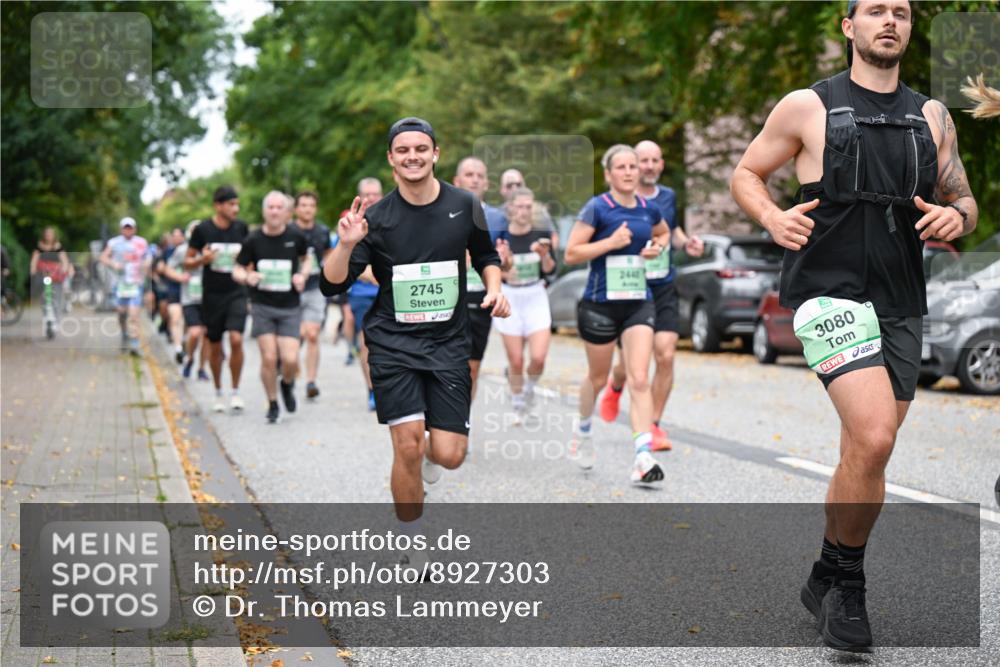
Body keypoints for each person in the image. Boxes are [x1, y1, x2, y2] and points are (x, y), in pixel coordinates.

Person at [730, 0, 978, 651]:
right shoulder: (807, 106)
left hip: (901, 299)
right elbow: (747, 172)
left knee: (865, 453)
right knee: (872, 437)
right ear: (849, 26)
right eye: (874, 10)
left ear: (909, 28)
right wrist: (770, 217)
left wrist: (961, 218)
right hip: (828, 292)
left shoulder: (933, 117)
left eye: (900, 11)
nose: (888, 19)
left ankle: (824, 570)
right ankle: (850, 588)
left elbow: (964, 196)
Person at [321, 117, 509, 568]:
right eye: (402, 149)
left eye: (420, 148)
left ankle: (426, 469)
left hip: (447, 343)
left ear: (435, 153)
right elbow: (332, 284)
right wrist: (347, 245)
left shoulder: (464, 204)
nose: (412, 156)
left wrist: (496, 285)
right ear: (391, 158)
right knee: (407, 443)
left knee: (449, 455)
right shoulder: (377, 217)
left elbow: (485, 255)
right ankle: (413, 538)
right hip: (393, 344)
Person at [564, 144, 671, 485]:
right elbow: (571, 253)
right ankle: (582, 430)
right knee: (598, 378)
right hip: (600, 304)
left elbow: (663, 232)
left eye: (632, 166)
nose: (628, 172)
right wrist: (609, 243)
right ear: (609, 174)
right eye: (620, 167)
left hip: (638, 301)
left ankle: (642, 456)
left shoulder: (648, 208)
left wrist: (658, 248)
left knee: (639, 377)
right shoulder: (598, 208)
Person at [600, 141, 704, 451]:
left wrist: (687, 245)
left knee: (666, 353)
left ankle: (653, 424)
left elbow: (671, 231)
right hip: (629, 287)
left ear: (660, 165)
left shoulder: (668, 198)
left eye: (654, 160)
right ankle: (616, 386)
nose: (648, 166)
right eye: (642, 160)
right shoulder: (613, 202)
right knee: (631, 364)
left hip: (662, 286)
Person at [233, 192, 310, 423]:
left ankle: (286, 384)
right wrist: (248, 276)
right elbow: (236, 269)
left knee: (290, 359)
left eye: (279, 207)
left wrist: (302, 276)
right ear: (264, 211)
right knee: (269, 357)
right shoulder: (253, 240)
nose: (275, 211)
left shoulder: (296, 236)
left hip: (289, 306)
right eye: (270, 207)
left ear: (286, 212)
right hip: (262, 305)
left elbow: (307, 260)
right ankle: (273, 403)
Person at [185, 185, 250, 413]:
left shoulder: (242, 228)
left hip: (237, 292)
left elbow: (250, 259)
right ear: (218, 206)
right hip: (212, 295)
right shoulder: (203, 229)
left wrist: (247, 271)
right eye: (231, 204)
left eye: (237, 204)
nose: (236, 208)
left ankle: (235, 390)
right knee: (214, 345)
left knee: (236, 339)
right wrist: (204, 259)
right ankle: (218, 390)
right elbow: (187, 261)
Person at [494, 187, 556, 424]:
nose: (524, 212)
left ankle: (529, 389)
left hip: (535, 294)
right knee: (517, 360)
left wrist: (544, 256)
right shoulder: (501, 237)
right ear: (509, 208)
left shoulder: (540, 234)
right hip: (510, 297)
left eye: (528, 207)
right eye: (519, 206)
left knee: (538, 357)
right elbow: (491, 271)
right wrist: (504, 269)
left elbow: (551, 270)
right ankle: (517, 400)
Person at [453, 156, 513, 399]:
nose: (475, 179)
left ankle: (459, 426)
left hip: (481, 299)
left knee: (472, 367)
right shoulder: (443, 212)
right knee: (447, 365)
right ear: (457, 181)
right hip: (448, 298)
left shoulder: (499, 218)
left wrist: (505, 259)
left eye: (479, 176)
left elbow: (507, 266)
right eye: (469, 174)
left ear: (487, 183)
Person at [291, 190, 333, 399]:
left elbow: (327, 254)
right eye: (303, 205)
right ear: (296, 209)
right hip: (291, 290)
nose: (307, 209)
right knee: (295, 336)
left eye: (311, 205)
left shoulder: (323, 231)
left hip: (316, 287)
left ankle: (311, 382)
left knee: (313, 334)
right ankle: (289, 371)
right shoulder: (288, 230)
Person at [163, 221, 209, 380]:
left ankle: (202, 368)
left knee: (208, 336)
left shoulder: (211, 250)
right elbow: (167, 268)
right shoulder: (182, 251)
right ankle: (190, 359)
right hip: (189, 297)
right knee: (195, 333)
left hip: (209, 298)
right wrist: (179, 277)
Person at [100, 217, 152, 355]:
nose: (128, 230)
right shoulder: (114, 242)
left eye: (130, 227)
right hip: (120, 284)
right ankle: (124, 334)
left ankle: (134, 343)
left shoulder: (141, 242)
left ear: (134, 229)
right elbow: (103, 257)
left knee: (134, 314)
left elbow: (148, 257)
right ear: (121, 229)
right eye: (125, 227)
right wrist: (114, 264)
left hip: (136, 283)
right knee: (122, 313)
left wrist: (145, 265)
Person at [499, 168, 559, 249]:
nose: (514, 189)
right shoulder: (496, 214)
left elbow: (553, 237)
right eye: (509, 186)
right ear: (502, 190)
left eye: (518, 185)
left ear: (524, 186)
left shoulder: (540, 211)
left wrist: (545, 255)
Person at [30, 226, 74, 325]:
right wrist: (33, 270)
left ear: (53, 236)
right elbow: (34, 260)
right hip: (43, 274)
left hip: (56, 275)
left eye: (50, 234)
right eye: (46, 234)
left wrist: (64, 270)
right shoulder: (39, 247)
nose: (48, 236)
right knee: (44, 298)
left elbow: (64, 260)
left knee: (57, 297)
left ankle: (56, 319)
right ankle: (46, 316)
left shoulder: (58, 247)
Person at [156, 228, 186, 363]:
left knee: (186, 322)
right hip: (173, 289)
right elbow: (160, 267)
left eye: (179, 236)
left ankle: (183, 340)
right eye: (174, 236)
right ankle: (178, 348)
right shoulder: (167, 252)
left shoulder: (190, 251)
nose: (176, 238)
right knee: (175, 317)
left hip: (190, 291)